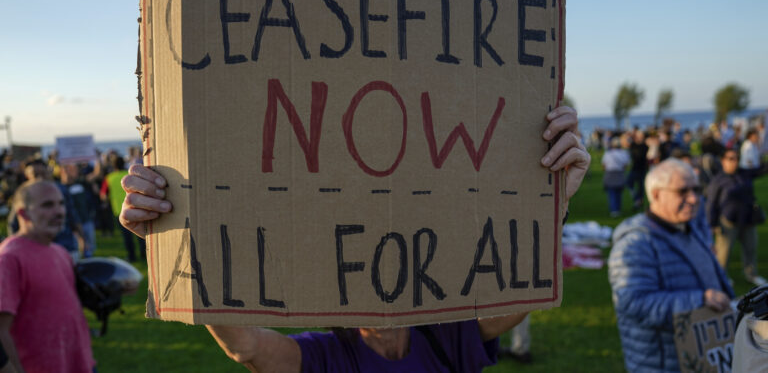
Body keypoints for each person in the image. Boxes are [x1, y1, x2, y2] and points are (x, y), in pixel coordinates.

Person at [119, 106, 590, 372]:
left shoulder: (444, 336)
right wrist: (172, 227)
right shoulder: (328, 358)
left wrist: (550, 202)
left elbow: (517, 298)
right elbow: (246, 347)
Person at [608, 158, 734, 372]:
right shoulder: (636, 243)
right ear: (656, 194)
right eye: (682, 191)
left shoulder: (687, 228)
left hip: (702, 355)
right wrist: (699, 300)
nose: (694, 199)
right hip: (663, 363)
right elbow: (632, 302)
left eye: (696, 189)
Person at [0, 180, 95, 372]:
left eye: (61, 204)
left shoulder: (60, 252)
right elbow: (1, 330)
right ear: (23, 213)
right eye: (47, 205)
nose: (59, 212)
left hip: (80, 365)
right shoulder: (9, 258)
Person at [706, 148, 768, 286]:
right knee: (724, 254)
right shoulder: (718, 180)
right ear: (723, 161)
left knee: (751, 249)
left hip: (748, 219)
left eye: (736, 158)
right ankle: (722, 278)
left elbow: (763, 169)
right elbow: (712, 204)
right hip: (728, 222)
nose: (734, 161)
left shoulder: (744, 173)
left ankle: (751, 274)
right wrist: (712, 224)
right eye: (730, 158)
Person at [102, 155, 145, 262]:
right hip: (136, 206)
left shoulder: (109, 177)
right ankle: (144, 255)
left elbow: (103, 195)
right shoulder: (130, 174)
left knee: (127, 236)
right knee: (140, 234)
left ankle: (132, 257)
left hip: (119, 210)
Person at [602, 136, 630, 217]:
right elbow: (626, 165)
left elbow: (604, 165)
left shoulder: (608, 153)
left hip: (610, 173)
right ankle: (617, 209)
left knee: (612, 193)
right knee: (618, 193)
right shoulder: (624, 153)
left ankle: (614, 210)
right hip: (620, 173)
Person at [626, 129, 649, 210]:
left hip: (642, 168)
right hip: (634, 168)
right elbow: (626, 142)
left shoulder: (645, 146)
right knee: (629, 183)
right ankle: (637, 199)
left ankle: (639, 202)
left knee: (640, 186)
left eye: (640, 136)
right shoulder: (633, 145)